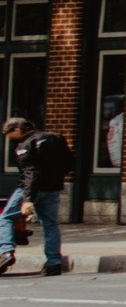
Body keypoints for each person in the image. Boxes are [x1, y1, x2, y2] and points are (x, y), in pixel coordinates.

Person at [0, 117, 72, 277]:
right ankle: (54, 263)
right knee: (50, 225)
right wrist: (55, 178)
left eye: (9, 134)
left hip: (30, 189)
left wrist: (28, 200)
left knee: (6, 218)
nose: (9, 138)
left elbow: (31, 172)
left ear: (17, 129)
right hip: (52, 188)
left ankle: (6, 252)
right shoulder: (56, 138)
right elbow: (69, 162)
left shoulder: (25, 145)